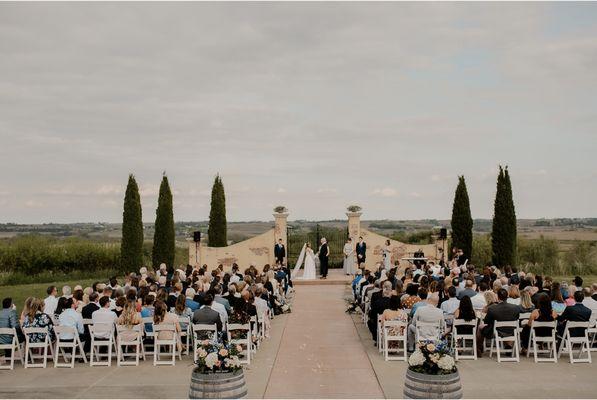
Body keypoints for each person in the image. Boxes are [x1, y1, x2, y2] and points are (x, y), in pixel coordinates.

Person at [477, 289, 520, 357]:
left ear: (498, 297)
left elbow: (486, 321)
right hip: (511, 331)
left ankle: (478, 348)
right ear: (507, 296)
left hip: (496, 331)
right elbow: (517, 318)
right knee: (505, 328)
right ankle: (508, 345)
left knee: (480, 327)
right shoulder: (515, 308)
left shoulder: (492, 308)